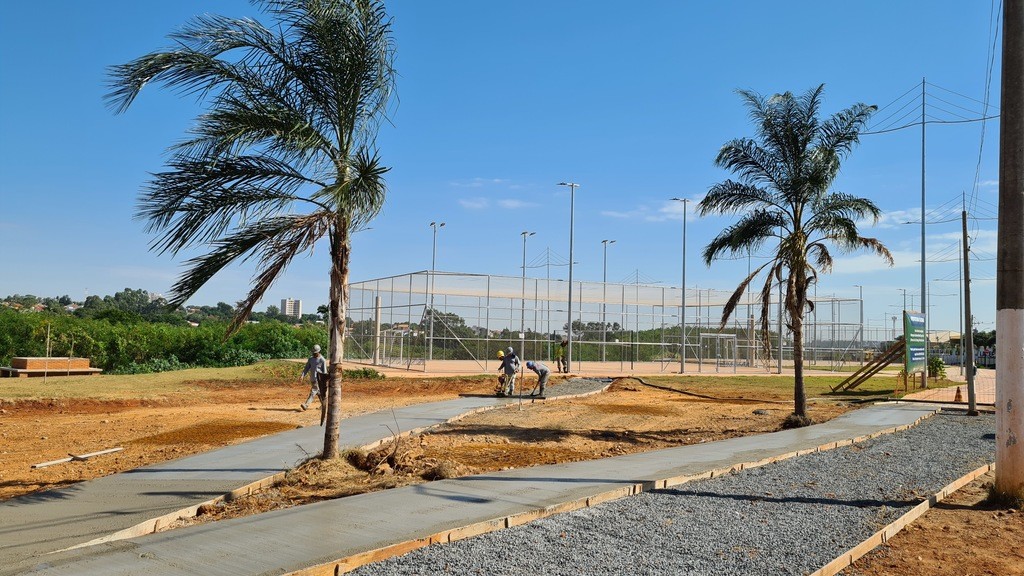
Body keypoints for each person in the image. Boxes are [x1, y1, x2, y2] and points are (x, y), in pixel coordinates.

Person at [300, 344, 327, 411]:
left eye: (315, 353)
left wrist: (324, 382)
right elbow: (306, 368)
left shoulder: (322, 360)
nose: (314, 354)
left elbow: (325, 372)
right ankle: (324, 405)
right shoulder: (311, 359)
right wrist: (302, 375)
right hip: (312, 379)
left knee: (313, 391)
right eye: (313, 353)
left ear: (319, 352)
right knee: (318, 392)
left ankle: (306, 405)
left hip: (318, 379)